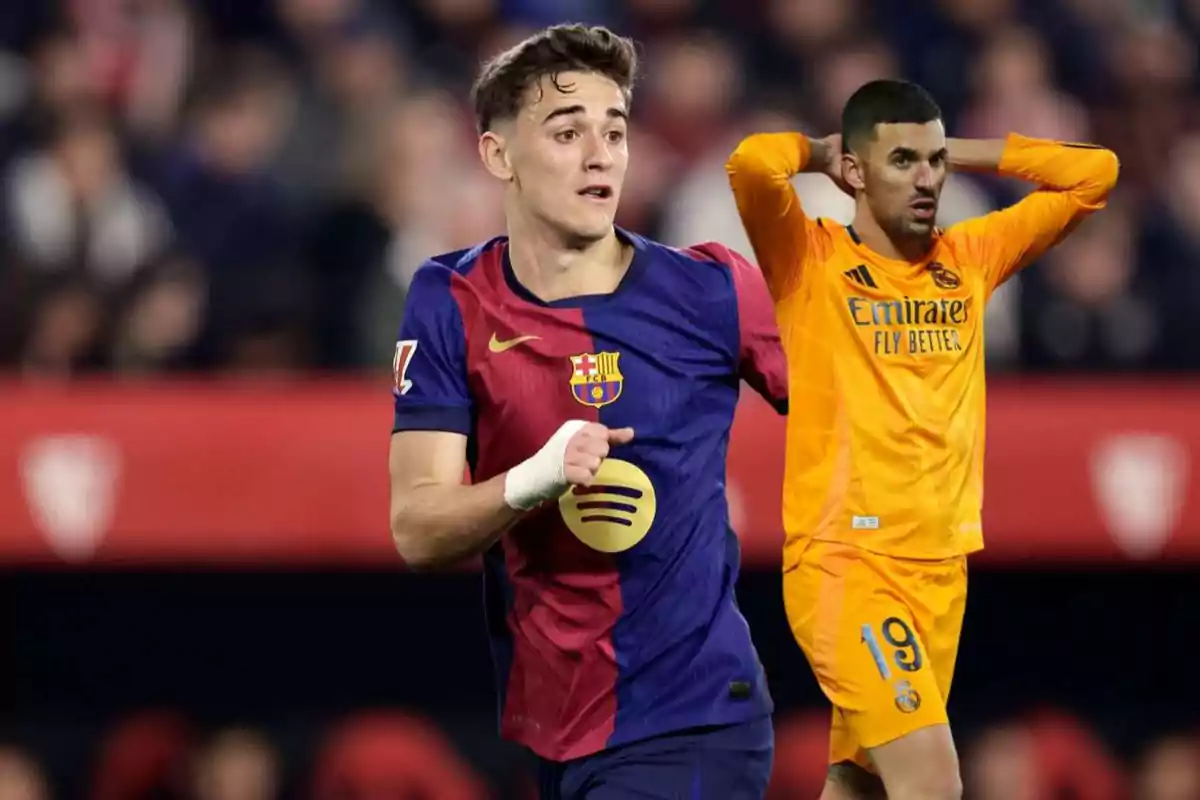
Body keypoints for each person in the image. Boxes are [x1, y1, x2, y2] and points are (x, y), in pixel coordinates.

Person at [387, 24, 787, 800]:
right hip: (556, 722)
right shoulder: (449, 301)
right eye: (567, 132)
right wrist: (534, 478)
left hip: (693, 717)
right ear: (498, 155)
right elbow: (417, 527)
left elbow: (851, 415)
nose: (600, 153)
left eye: (614, 130)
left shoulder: (712, 291)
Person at [725, 79, 1119, 800]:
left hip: (942, 568)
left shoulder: (970, 258)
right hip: (850, 564)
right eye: (903, 160)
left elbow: (1095, 172)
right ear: (854, 171)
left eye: (933, 162)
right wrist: (822, 151)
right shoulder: (809, 262)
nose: (928, 178)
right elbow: (753, 164)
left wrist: (959, 150)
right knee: (932, 785)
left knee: (861, 785)